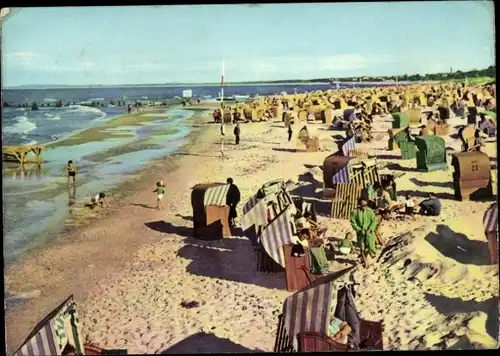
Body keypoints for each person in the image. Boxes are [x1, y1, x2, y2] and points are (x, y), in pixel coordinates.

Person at [350, 198, 377, 267]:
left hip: (369, 233)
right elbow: (353, 223)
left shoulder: (370, 211)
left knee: (369, 246)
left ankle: (366, 258)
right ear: (359, 205)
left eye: (366, 205)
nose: (364, 206)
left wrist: (370, 228)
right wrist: (359, 229)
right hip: (360, 233)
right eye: (362, 205)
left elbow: (374, 221)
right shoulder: (354, 212)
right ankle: (365, 262)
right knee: (362, 247)